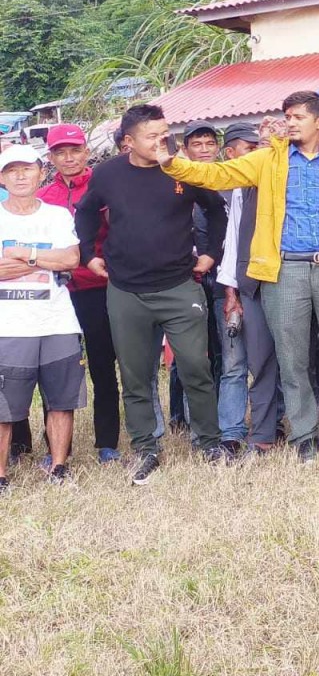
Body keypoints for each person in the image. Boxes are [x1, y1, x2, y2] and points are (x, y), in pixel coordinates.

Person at [157, 91, 319, 462]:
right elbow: (217, 173)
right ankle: (305, 434)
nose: (290, 122)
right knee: (292, 356)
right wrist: (172, 163)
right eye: (287, 116)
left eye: (298, 116)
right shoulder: (267, 160)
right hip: (284, 269)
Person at [76, 105, 227, 484]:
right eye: (152, 136)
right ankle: (146, 448)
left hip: (179, 286)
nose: (162, 141)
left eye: (165, 133)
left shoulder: (182, 168)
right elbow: (86, 214)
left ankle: (209, 442)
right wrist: (87, 255)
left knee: (196, 366)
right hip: (126, 291)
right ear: (128, 141)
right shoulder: (108, 174)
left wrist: (212, 254)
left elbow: (216, 211)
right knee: (136, 376)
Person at [33, 124, 123, 465]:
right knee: (53, 370)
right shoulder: (42, 198)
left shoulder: (105, 188)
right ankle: (56, 448)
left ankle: (107, 442)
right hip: (56, 293)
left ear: (86, 152)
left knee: (103, 365)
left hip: (98, 289)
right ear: (51, 157)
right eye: (60, 152)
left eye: (74, 150)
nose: (68, 158)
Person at [0, 145, 85, 491]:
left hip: (57, 322)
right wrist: (44, 259)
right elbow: (57, 259)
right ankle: (2, 474)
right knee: (4, 407)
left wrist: (23, 254)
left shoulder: (57, 216)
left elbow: (71, 260)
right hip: (9, 326)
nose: (20, 176)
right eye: (12, 170)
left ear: (40, 173)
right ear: (2, 178)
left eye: (27, 169)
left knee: (63, 400)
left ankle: (59, 467)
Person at [213, 122, 282, 458]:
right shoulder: (242, 185)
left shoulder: (294, 178)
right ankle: (264, 433)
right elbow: (234, 241)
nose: (264, 150)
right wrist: (231, 290)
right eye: (258, 145)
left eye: (270, 143)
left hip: (294, 275)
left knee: (299, 362)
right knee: (260, 359)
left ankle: (301, 427)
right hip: (252, 280)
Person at [168, 120, 225, 435]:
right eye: (196, 145)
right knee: (187, 351)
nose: (203, 150)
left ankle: (210, 411)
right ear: (185, 149)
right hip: (186, 277)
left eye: (208, 144)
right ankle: (179, 414)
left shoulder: (227, 178)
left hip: (220, 275)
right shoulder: (177, 179)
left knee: (217, 349)